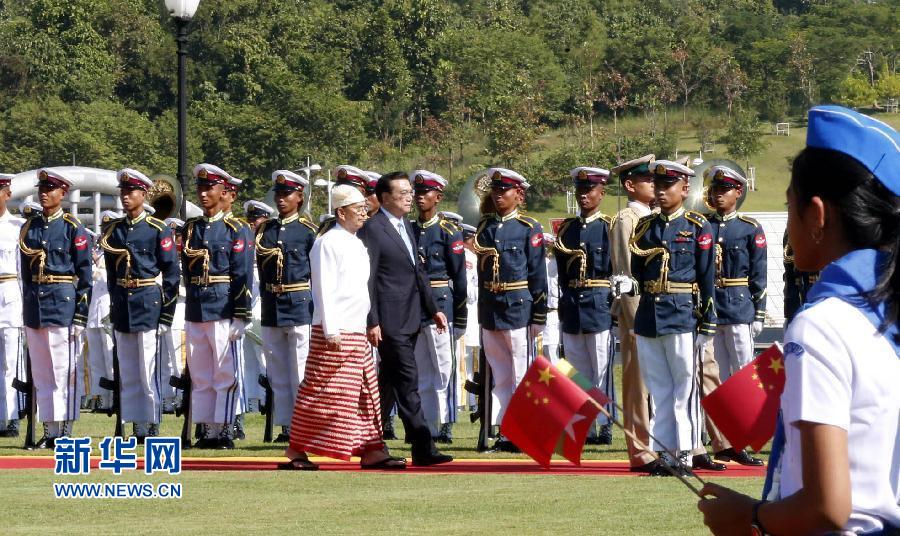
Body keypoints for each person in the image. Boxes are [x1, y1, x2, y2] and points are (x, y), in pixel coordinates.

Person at [699, 105, 900, 535]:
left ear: (817, 216)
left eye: (790, 208)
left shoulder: (824, 324)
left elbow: (827, 507)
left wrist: (749, 517)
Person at [281, 185, 404, 470]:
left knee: (365, 392)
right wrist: (331, 329)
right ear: (341, 212)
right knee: (324, 393)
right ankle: (297, 449)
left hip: (356, 329)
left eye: (364, 207)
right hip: (335, 331)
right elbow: (322, 288)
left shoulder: (356, 242)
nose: (364, 212)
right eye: (357, 208)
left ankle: (372, 448)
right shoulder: (327, 242)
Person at [358, 171, 453, 467]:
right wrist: (372, 320)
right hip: (389, 319)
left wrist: (433, 308)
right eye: (403, 193)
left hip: (411, 314)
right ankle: (422, 446)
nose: (410, 197)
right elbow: (368, 278)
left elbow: (418, 272)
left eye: (410, 192)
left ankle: (369, 443)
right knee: (408, 380)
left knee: (386, 384)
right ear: (385, 197)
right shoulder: (373, 229)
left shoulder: (406, 226)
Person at [630, 160, 716, 474]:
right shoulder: (645, 227)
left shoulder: (696, 225)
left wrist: (708, 320)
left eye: (668, 186)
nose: (661, 191)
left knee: (685, 388)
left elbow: (707, 277)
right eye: (657, 185)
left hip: (682, 313)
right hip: (650, 315)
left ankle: (685, 454)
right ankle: (664, 454)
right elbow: (639, 273)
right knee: (659, 389)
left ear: (684, 189)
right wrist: (629, 284)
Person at [98, 169, 180, 441]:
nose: (125, 196)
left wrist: (166, 314)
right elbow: (112, 275)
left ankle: (151, 421)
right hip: (123, 305)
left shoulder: (158, 228)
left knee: (148, 369)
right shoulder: (115, 230)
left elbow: (171, 274)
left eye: (131, 191)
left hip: (148, 303)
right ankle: (134, 423)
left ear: (144, 195)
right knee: (129, 370)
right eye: (122, 191)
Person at [473, 167, 547, 452]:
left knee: (521, 374)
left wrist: (538, 314)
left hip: (518, 307)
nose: (498, 195)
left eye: (504, 191)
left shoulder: (529, 228)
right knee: (499, 375)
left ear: (519, 194)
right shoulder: (485, 228)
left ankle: (523, 430)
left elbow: (537, 274)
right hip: (492, 308)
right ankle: (505, 431)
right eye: (495, 190)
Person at [19, 169, 92, 447]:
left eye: (51, 189)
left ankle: (65, 430)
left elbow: (85, 275)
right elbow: (25, 273)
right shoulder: (31, 227)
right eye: (42, 188)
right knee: (42, 372)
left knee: (64, 371)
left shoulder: (73, 227)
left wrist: (80, 314)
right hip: (36, 306)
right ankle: (49, 430)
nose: (44, 193)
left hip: (63, 304)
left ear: (63, 194)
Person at [181, 164, 250, 449]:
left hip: (223, 306)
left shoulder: (237, 228)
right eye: (200, 187)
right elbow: (187, 269)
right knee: (200, 373)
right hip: (197, 306)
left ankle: (224, 429)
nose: (203, 193)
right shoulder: (192, 228)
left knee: (225, 371)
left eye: (209, 187)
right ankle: (207, 429)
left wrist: (241, 313)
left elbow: (242, 272)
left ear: (224, 192)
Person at [554, 167, 616, 445]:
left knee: (601, 368)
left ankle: (605, 424)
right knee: (577, 372)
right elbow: (562, 273)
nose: (584, 196)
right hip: (573, 306)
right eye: (580, 190)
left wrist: (614, 310)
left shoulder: (609, 228)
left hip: (599, 304)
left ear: (601, 193)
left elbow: (616, 271)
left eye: (590, 190)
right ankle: (584, 425)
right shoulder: (566, 229)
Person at [256, 171, 316, 443]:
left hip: (299, 303)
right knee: (278, 371)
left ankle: (304, 424)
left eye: (287, 194)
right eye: (278, 194)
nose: (281, 199)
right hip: (272, 304)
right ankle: (286, 425)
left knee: (300, 370)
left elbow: (316, 273)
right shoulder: (266, 230)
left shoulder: (307, 231)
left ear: (299, 197)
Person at [609, 155, 659, 474]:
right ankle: (641, 450)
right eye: (648, 180)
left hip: (659, 308)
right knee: (638, 379)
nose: (655, 185)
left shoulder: (654, 217)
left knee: (658, 381)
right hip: (639, 308)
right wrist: (635, 317)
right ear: (631, 185)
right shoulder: (627, 219)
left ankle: (658, 444)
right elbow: (627, 275)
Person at [410, 170, 467, 444]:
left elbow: (460, 278)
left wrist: (461, 315)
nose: (420, 198)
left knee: (444, 367)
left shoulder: (447, 232)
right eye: (417, 193)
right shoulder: (408, 230)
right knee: (422, 370)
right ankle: (428, 425)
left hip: (441, 305)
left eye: (425, 193)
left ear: (438, 197)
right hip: (415, 307)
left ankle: (446, 422)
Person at [241, 200, 273, 418]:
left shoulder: (268, 244)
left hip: (261, 308)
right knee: (247, 361)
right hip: (245, 311)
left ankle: (266, 400)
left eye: (258, 219)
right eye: (251, 219)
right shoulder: (244, 244)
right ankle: (252, 402)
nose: (253, 223)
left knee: (264, 360)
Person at [0, 173, 24, 437]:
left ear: (7, 194)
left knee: (11, 362)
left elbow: (22, 271)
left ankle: (10, 417)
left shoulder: (17, 227)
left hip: (9, 294)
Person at [160, 217, 187, 414]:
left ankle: (180, 397)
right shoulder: (163, 255)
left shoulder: (186, 255)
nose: (173, 239)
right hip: (162, 309)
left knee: (179, 358)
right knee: (163, 360)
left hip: (179, 310)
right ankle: (167, 397)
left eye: (176, 234)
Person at [542, 233, 561, 364]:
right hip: (537, 316)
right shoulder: (534, 264)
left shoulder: (556, 264)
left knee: (552, 354)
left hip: (553, 314)